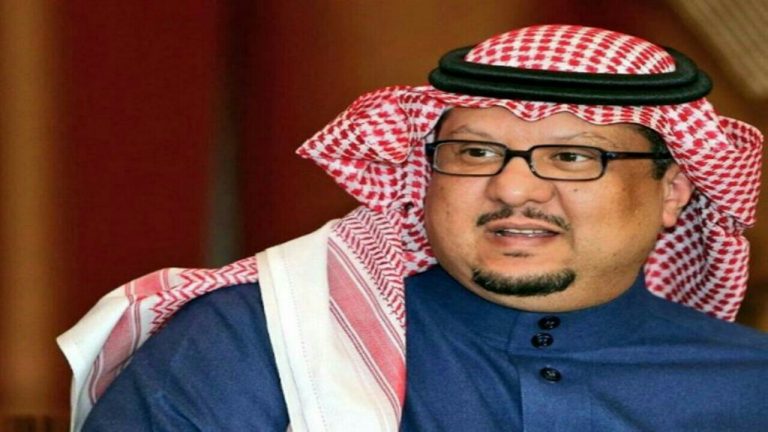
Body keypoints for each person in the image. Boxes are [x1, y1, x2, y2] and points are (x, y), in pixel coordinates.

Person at [59, 25, 767, 431]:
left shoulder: (750, 385)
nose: (513, 188)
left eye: (573, 157)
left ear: (674, 190)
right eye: (475, 153)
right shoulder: (262, 338)